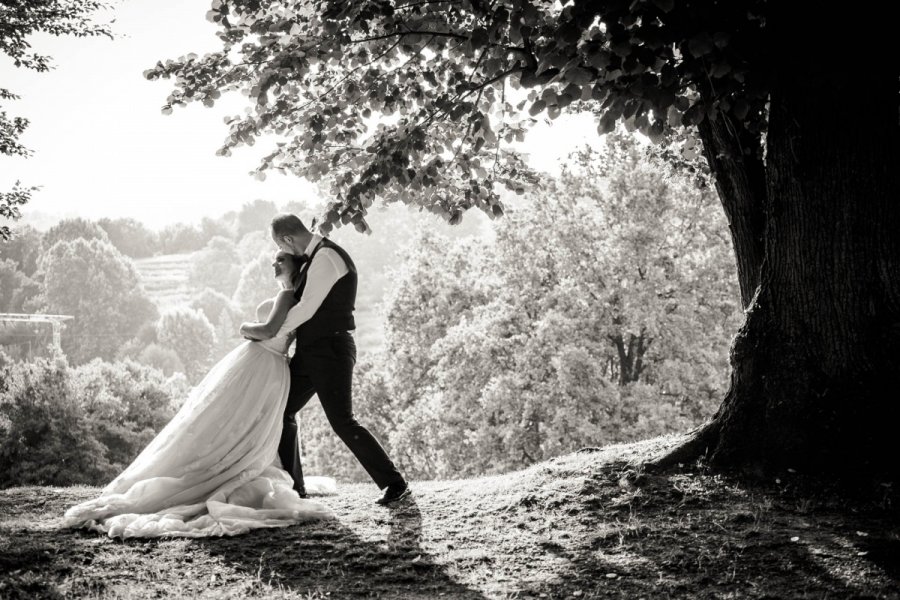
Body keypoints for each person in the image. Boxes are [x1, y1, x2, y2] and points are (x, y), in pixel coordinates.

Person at [62, 251, 334, 539]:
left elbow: (266, 330)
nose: (274, 263)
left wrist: (243, 327)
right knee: (225, 417)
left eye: (281, 259)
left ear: (296, 264)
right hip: (264, 363)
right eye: (274, 260)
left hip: (264, 361)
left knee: (235, 420)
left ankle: (223, 468)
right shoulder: (291, 298)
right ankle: (216, 463)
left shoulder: (288, 297)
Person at [242, 213, 409, 505]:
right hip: (309, 351)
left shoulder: (327, 257)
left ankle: (395, 484)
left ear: (287, 239)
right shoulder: (314, 258)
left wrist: (270, 332)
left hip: (331, 349)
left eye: (281, 246)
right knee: (282, 412)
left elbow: (306, 308)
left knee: (343, 421)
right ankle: (296, 487)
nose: (285, 253)